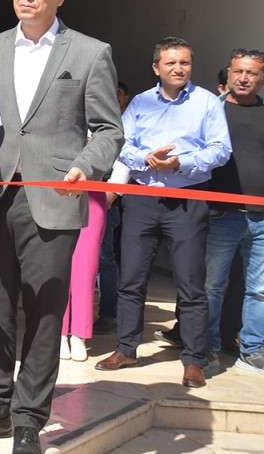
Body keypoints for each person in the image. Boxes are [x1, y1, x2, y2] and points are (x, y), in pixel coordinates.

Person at [0, 0, 122, 454]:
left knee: (44, 312)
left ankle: (28, 419)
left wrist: (87, 166)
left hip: (55, 197)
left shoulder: (91, 52)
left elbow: (109, 130)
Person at [96, 37, 230, 388]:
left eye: (184, 63)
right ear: (157, 67)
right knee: (131, 278)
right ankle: (126, 349)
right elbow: (121, 143)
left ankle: (194, 359)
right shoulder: (140, 103)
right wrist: (146, 158)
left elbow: (221, 149)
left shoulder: (206, 102)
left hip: (187, 199)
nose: (178, 69)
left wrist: (180, 162)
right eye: (171, 63)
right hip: (142, 199)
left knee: (190, 282)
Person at [202, 49, 264, 375]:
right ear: (228, 73)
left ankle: (252, 349)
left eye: (251, 73)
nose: (243, 78)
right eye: (238, 71)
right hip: (221, 215)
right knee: (211, 286)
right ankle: (207, 348)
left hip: (261, 218)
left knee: (259, 290)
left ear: (261, 78)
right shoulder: (210, 110)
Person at [96, 81, 133, 333]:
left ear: (125, 98)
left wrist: (111, 194)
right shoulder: (86, 116)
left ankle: (108, 313)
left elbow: (125, 160)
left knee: (104, 258)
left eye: (117, 93)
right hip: (72, 195)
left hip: (106, 199)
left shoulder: (124, 123)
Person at [59, 193, 106, 361]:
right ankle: (59, 333)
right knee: (58, 264)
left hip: (92, 193)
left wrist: (115, 191)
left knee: (86, 267)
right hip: (55, 195)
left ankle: (79, 334)